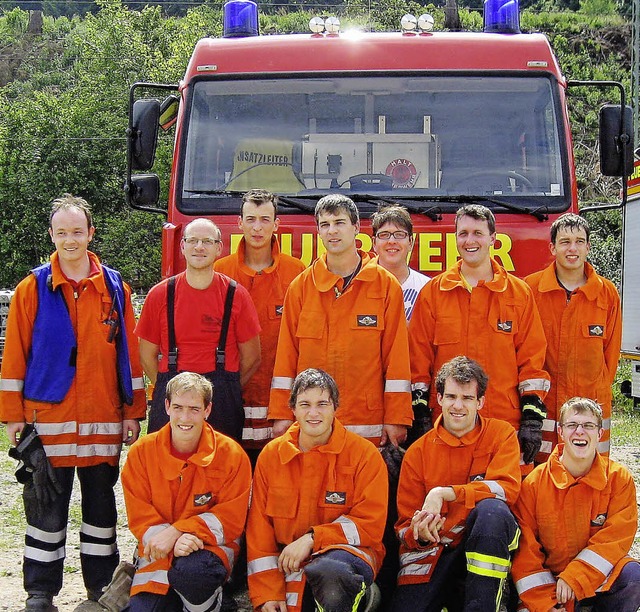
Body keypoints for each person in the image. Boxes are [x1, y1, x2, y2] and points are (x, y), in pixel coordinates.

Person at [0, 194, 146, 611]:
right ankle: (40, 592)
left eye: (77, 231)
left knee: (101, 514)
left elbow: (129, 356)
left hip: (103, 419)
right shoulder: (32, 288)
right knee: (45, 511)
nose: (70, 239)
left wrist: (134, 411)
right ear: (51, 234)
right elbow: (15, 356)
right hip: (48, 421)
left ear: (91, 233)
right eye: (62, 232)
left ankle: (100, 588)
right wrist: (12, 416)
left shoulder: (115, 287)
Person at [409, 204, 550, 470]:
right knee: (445, 501)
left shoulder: (518, 295)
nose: (470, 241)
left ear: (492, 239)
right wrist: (420, 415)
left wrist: (532, 420)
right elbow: (418, 361)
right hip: (448, 423)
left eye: (477, 233)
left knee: (501, 504)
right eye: (463, 234)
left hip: (503, 425)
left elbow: (532, 364)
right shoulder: (433, 294)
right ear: (455, 239)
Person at [269, 194, 413, 448]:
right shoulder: (301, 287)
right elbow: (286, 357)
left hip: (366, 424)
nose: (332, 231)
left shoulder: (385, 286)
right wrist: (281, 413)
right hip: (312, 424)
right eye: (325, 225)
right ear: (318, 232)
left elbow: (397, 359)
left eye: (339, 223)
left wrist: (397, 417)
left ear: (357, 228)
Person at [247, 368, 387, 612]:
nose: (314, 413)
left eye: (322, 403)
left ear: (336, 407)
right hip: (290, 566)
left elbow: (370, 524)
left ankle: (360, 597)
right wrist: (268, 591)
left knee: (331, 574)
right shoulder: (271, 456)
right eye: (305, 404)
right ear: (292, 408)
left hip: (347, 559)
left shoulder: (365, 455)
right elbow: (260, 532)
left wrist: (313, 539)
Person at [392, 356, 522, 612]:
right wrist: (420, 533)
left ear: (481, 402)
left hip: (483, 545)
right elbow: (403, 528)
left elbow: (507, 490)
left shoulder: (501, 435)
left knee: (492, 513)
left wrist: (444, 493)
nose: (458, 406)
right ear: (438, 399)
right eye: (451, 397)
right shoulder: (418, 452)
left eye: (467, 398)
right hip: (434, 554)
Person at [121, 372, 252, 611]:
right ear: (167, 406)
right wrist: (173, 539)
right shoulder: (141, 453)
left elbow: (231, 519)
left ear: (207, 410)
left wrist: (180, 531)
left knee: (194, 576)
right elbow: (140, 516)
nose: (185, 417)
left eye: (194, 408)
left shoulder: (231, 455)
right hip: (158, 552)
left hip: (209, 550)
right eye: (178, 407)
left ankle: (213, 604)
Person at [136, 217, 261, 441]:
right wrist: (174, 393)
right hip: (172, 402)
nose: (199, 247)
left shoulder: (236, 295)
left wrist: (224, 391)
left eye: (207, 241)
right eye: (192, 240)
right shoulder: (160, 295)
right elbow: (146, 356)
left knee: (220, 471)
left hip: (221, 403)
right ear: (182, 246)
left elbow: (252, 358)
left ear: (219, 248)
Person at [512, 397, 640, 612]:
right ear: (560, 432)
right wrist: (545, 604)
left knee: (633, 577)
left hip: (595, 580)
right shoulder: (534, 484)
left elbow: (615, 539)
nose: (580, 431)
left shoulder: (619, 479)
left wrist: (575, 577)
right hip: (550, 585)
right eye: (572, 425)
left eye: (588, 426)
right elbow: (525, 551)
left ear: (599, 434)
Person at [214, 189, 305, 465]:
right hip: (231, 400)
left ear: (277, 225)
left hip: (279, 406)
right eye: (250, 219)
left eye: (265, 219)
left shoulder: (296, 273)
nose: (257, 227)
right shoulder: (220, 272)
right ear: (239, 223)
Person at [525, 213, 621, 461]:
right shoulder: (530, 290)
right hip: (545, 410)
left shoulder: (607, 293)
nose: (572, 248)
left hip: (592, 408)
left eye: (579, 241)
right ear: (552, 247)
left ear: (588, 247)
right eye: (565, 241)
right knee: (543, 479)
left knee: (592, 477)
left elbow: (610, 357)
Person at [371, 205, 430, 322]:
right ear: (374, 243)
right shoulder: (356, 287)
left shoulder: (427, 289)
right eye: (384, 235)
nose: (391, 241)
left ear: (410, 243)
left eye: (399, 234)